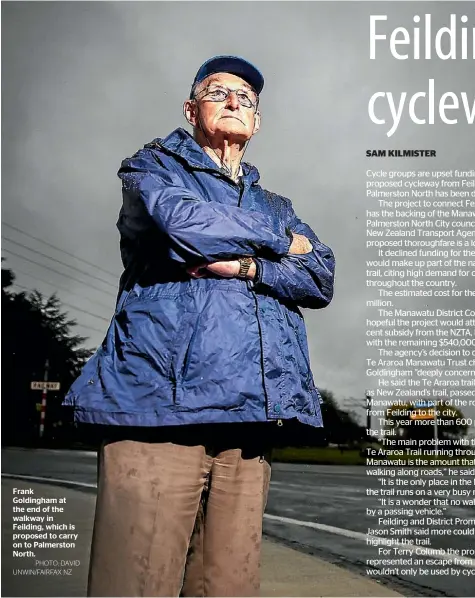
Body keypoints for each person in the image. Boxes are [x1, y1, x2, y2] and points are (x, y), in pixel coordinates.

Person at [63, 55, 335, 597]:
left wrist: (248, 265)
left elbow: (321, 275)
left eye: (247, 98)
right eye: (219, 92)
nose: (236, 101)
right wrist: (281, 243)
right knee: (135, 583)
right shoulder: (151, 167)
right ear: (191, 109)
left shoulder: (277, 203)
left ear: (256, 122)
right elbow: (185, 224)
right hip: (159, 412)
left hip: (249, 422)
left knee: (227, 587)